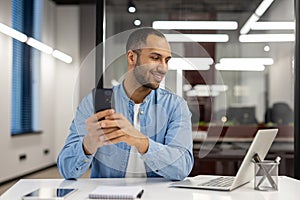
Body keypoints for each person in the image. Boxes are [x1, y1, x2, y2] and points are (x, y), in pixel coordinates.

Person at [57, 27, 194, 181]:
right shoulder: (94, 103)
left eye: (166, 60)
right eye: (155, 58)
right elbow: (66, 170)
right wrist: (89, 143)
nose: (163, 67)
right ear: (131, 57)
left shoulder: (175, 106)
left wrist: (140, 141)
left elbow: (182, 168)